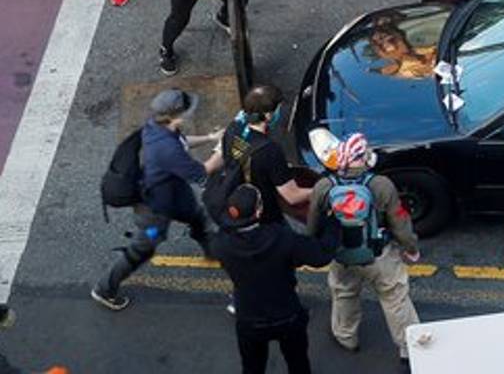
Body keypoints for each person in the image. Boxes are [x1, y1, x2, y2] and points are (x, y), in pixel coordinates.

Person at [91, 88, 223, 310]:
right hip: (156, 210)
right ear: (175, 116)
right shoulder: (166, 149)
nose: (191, 113)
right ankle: (104, 289)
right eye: (187, 110)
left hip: (176, 197)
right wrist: (223, 150)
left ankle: (215, 252)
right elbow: (203, 170)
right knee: (144, 247)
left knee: (198, 218)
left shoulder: (156, 127)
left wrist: (210, 138)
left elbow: (183, 142)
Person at [307, 133, 422, 369]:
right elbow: (399, 221)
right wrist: (411, 248)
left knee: (344, 294)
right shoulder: (381, 185)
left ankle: (346, 337)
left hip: (342, 255)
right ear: (363, 158)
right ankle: (408, 348)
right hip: (379, 254)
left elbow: (313, 225)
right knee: (395, 298)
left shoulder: (324, 186)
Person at [213, 184, 336, 374]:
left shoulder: (221, 244)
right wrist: (331, 222)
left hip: (249, 318)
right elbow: (321, 256)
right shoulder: (281, 237)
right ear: (259, 210)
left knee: (252, 368)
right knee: (298, 364)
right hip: (287, 314)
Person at [220, 85, 314, 227]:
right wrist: (320, 191)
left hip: (238, 197)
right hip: (264, 212)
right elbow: (293, 197)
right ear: (268, 115)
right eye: (278, 109)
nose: (279, 113)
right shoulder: (269, 150)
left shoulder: (233, 128)